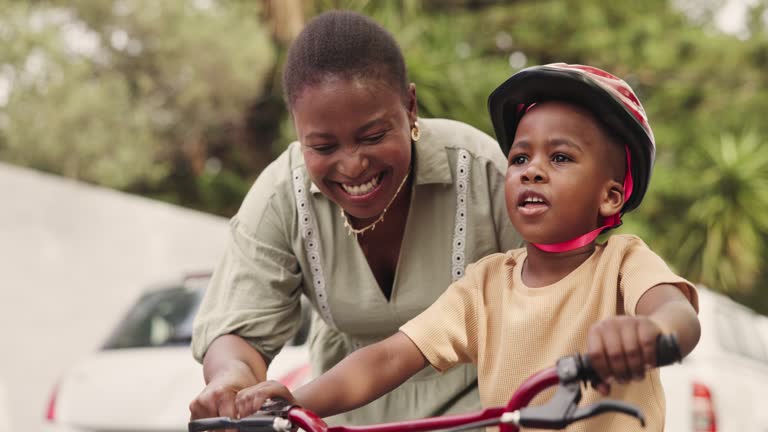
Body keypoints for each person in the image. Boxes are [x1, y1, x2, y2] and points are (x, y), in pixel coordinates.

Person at [231, 64, 702, 432]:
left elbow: (678, 316)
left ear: (610, 196)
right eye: (520, 157)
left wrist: (648, 332)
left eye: (560, 157)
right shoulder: (484, 285)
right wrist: (297, 400)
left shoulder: (623, 263)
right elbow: (388, 358)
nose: (532, 170)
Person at [188, 10, 521, 426]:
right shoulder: (280, 196)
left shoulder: (486, 173)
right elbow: (240, 329)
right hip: (338, 416)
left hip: (481, 415)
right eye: (323, 147)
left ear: (411, 107)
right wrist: (233, 378)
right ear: (297, 129)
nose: (353, 165)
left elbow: (552, 304)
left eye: (373, 136)